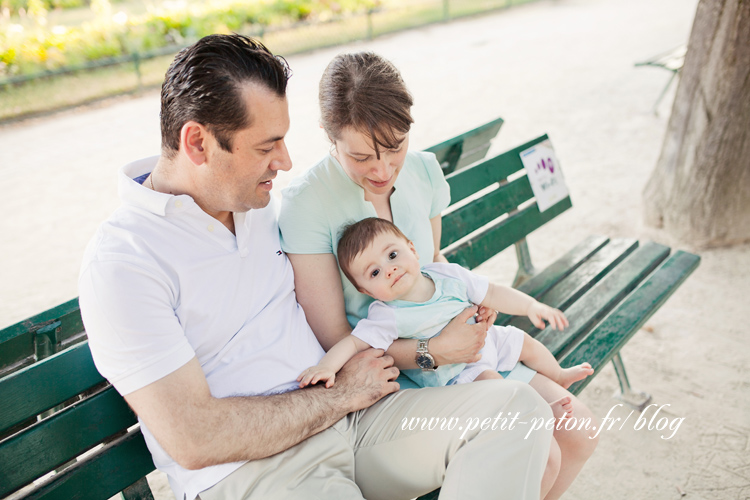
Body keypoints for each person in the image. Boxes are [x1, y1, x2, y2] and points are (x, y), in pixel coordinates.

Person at [78, 34, 555, 500]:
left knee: (517, 411)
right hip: (260, 470)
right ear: (198, 143)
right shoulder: (125, 264)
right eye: (267, 147)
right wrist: (339, 395)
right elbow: (194, 437)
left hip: (358, 423)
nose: (284, 162)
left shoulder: (254, 206)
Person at [279, 51, 599, 500]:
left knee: (578, 430)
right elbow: (336, 338)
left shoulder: (425, 170)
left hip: (465, 354)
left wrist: (470, 326)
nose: (383, 170)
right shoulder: (305, 204)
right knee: (539, 453)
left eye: (395, 147)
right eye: (361, 156)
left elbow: (434, 263)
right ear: (327, 137)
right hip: (392, 378)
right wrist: (435, 351)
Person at [298, 218, 593, 418]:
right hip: (457, 373)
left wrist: (530, 307)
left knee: (524, 341)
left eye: (392, 255)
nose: (388, 269)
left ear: (412, 249)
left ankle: (559, 374)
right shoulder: (387, 315)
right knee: (496, 386)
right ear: (366, 291)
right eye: (374, 273)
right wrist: (325, 367)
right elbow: (352, 344)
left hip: (486, 341)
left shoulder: (446, 274)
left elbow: (492, 292)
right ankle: (541, 412)